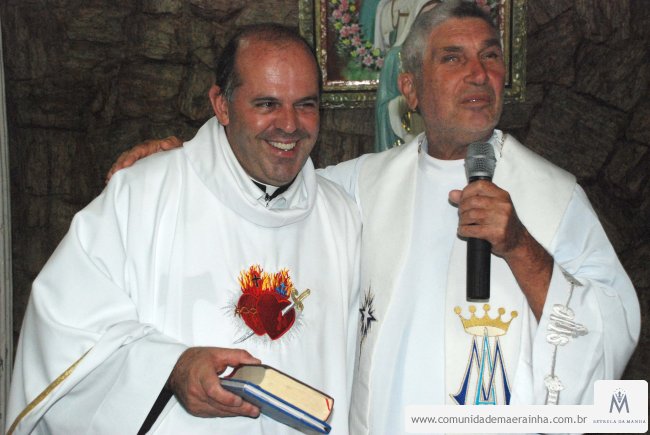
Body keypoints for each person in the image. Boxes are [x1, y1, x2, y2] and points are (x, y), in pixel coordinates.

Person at [105, 1, 641, 434]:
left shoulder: (556, 197)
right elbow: (264, 189)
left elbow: (612, 331)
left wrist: (521, 247)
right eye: (453, 58)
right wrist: (184, 158)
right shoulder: (357, 186)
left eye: (490, 56)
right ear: (410, 88)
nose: (479, 74)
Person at [6, 24, 361, 435]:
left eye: (306, 105)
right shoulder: (143, 194)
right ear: (222, 105)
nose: (289, 124)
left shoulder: (341, 214)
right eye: (267, 104)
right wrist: (171, 368)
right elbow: (65, 333)